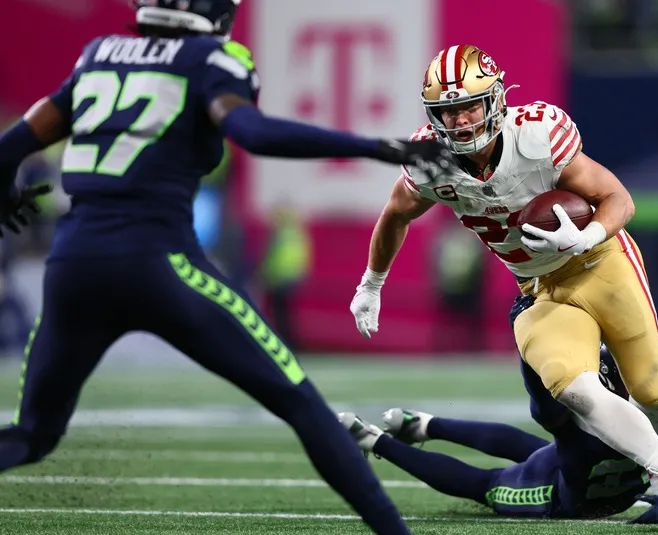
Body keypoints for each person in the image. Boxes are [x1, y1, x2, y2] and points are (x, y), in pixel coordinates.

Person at [0, 2, 461, 534]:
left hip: (73, 268)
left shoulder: (97, 55)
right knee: (300, 402)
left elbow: (11, 146)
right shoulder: (210, 58)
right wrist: (377, 147)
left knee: (33, 434)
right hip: (159, 264)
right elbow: (253, 132)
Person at [348, 44, 658, 520]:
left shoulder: (538, 134)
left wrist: (585, 235)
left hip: (600, 260)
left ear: (496, 100)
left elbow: (618, 199)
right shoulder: (429, 160)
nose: (461, 121)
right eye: (449, 110)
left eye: (469, 105)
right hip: (537, 285)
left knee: (652, 393)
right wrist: (371, 283)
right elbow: (395, 215)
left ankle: (656, 468)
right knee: (573, 387)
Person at [339, 344, 658, 523]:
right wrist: (530, 348)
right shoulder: (586, 398)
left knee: (543, 449)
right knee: (489, 483)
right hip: (561, 495)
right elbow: (543, 405)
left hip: (594, 477)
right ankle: (375, 440)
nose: (648, 384)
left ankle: (423, 425)